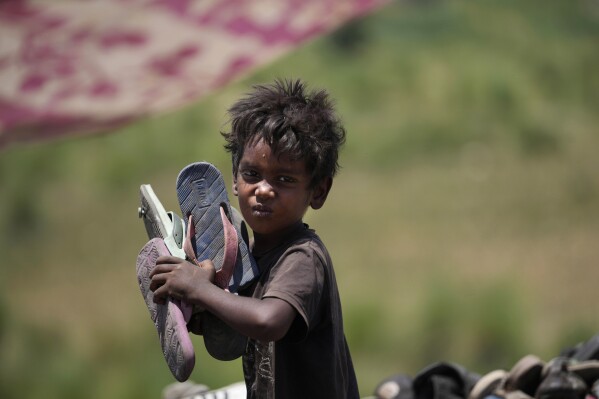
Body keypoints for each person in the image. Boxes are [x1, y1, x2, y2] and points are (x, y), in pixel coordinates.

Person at [150, 78, 359, 399]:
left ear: (318, 191)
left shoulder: (302, 256)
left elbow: (268, 322)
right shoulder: (252, 258)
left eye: (284, 179)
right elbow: (244, 320)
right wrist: (203, 307)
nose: (263, 189)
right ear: (234, 180)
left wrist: (198, 288)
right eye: (251, 175)